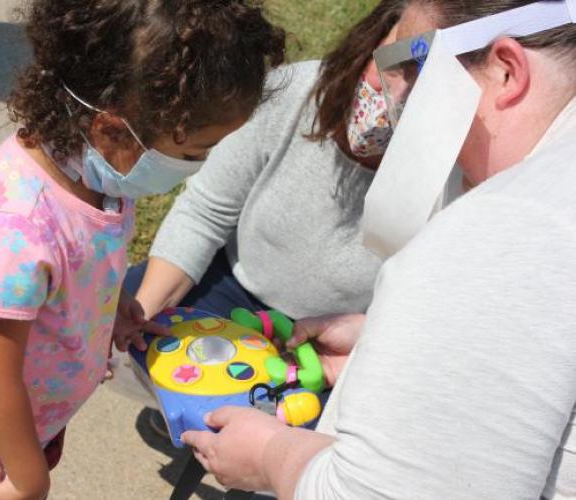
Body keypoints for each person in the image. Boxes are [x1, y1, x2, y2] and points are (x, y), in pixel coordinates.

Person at [0, 1, 286, 499]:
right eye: (193, 151)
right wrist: (31, 478)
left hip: (7, 438)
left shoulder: (102, 174)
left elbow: (82, 260)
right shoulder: (15, 227)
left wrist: (106, 308)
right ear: (112, 128)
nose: (201, 164)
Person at [182, 1, 576, 499]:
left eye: (411, 66)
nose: (396, 99)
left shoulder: (507, 228)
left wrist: (268, 456)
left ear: (505, 70)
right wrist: (383, 346)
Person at [109, 1, 406, 411]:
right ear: (368, 42)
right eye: (396, 64)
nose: (398, 93)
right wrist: (143, 313)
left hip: (335, 341)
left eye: (425, 80)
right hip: (228, 284)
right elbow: (206, 213)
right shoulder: (293, 92)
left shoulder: (464, 180)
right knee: (122, 314)